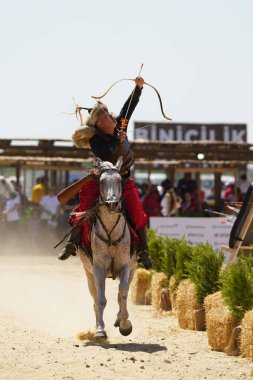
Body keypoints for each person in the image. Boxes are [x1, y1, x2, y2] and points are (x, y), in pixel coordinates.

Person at [58, 76, 152, 269]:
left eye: (108, 112)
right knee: (85, 210)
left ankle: (143, 250)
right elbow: (108, 157)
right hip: (102, 180)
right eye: (104, 115)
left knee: (138, 214)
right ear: (99, 124)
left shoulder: (120, 125)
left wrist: (138, 88)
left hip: (124, 181)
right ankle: (73, 243)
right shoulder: (96, 140)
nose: (110, 115)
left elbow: (129, 108)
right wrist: (118, 141)